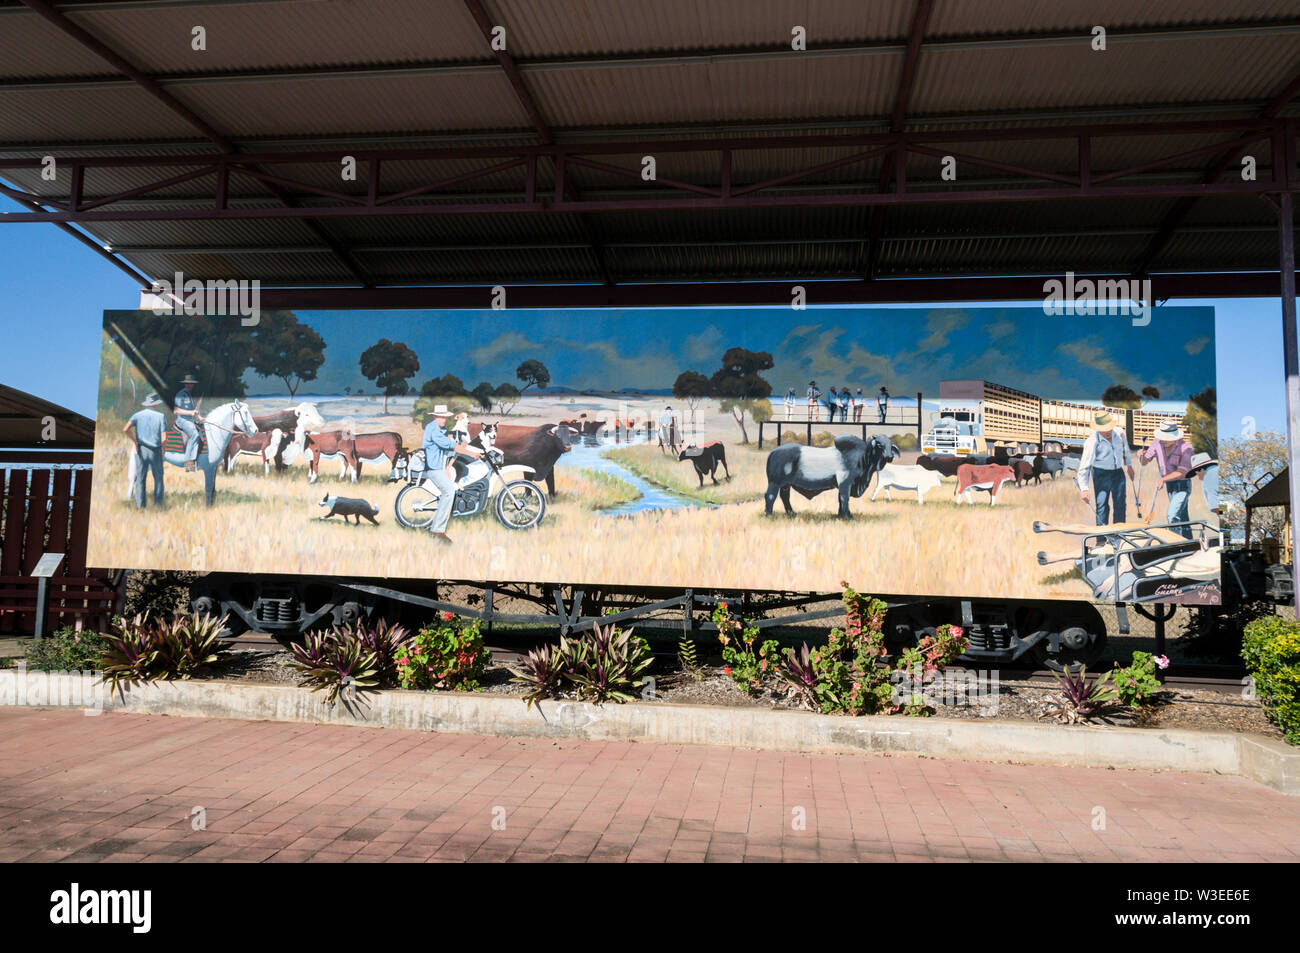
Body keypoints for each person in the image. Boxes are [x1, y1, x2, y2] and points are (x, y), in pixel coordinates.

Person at [421, 404, 483, 545]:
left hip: (437, 466)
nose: (444, 419)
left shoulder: (437, 428)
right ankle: (438, 530)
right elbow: (451, 445)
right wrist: (472, 454)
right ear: (435, 416)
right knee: (449, 491)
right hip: (434, 468)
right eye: (441, 417)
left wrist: (465, 447)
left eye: (445, 417)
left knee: (447, 492)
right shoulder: (434, 430)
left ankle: (434, 527)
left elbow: (451, 443)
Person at [1076, 411, 1135, 525]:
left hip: (1118, 472)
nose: (1107, 431)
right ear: (1097, 429)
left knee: (1120, 504)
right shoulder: (1092, 441)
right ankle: (1101, 539)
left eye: (1109, 428)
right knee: (1102, 504)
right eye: (1103, 429)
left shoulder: (1119, 433)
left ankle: (1119, 534)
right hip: (1101, 474)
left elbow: (1126, 449)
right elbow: (1084, 467)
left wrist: (1129, 466)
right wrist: (1084, 489)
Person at [1141, 421, 1195, 539]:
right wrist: (1141, 455)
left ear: (1175, 437)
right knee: (1182, 516)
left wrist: (1163, 479)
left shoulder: (1186, 448)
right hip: (1170, 486)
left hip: (1183, 485)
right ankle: (1190, 543)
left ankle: (1175, 542)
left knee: (1173, 515)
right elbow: (1145, 461)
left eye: (1167, 438)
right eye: (1162, 437)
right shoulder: (1156, 443)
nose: (1163, 440)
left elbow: (1182, 472)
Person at [123, 393, 166, 508]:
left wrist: (135, 442)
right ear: (156, 404)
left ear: (147, 404)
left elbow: (126, 429)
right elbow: (164, 437)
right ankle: (158, 505)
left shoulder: (137, 415)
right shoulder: (160, 416)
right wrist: (163, 449)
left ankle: (141, 506)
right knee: (158, 478)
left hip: (141, 450)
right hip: (155, 451)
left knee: (141, 478)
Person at [172, 373, 202, 472]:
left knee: (201, 435)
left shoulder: (189, 395)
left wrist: (201, 418)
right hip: (182, 420)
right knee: (194, 435)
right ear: (185, 384)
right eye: (188, 383)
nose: (190, 385)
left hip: (189, 420)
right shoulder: (181, 394)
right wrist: (191, 412)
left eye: (191, 383)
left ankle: (197, 461)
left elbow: (193, 412)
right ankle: (189, 463)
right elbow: (176, 411)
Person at [1189, 452, 1221, 518]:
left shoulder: (1208, 479)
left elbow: (1216, 505)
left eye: (1196, 472)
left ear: (1201, 470)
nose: (1196, 474)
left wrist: (1223, 517)